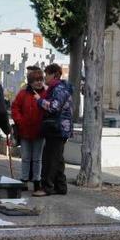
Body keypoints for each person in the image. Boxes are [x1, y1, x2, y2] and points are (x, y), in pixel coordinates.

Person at [37, 63, 74, 195]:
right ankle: (60, 186)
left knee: (50, 158)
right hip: (57, 128)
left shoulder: (58, 89)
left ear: (54, 75)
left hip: (57, 129)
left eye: (46, 74)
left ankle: (47, 187)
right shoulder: (56, 88)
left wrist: (39, 100)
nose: (44, 77)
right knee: (57, 158)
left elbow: (54, 107)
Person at [11, 68, 47, 194]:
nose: (39, 83)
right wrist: (20, 121)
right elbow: (15, 107)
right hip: (25, 130)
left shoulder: (45, 94)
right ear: (30, 82)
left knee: (37, 158)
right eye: (36, 81)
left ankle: (37, 181)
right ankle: (24, 179)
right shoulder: (23, 94)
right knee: (26, 157)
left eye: (40, 80)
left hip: (39, 131)